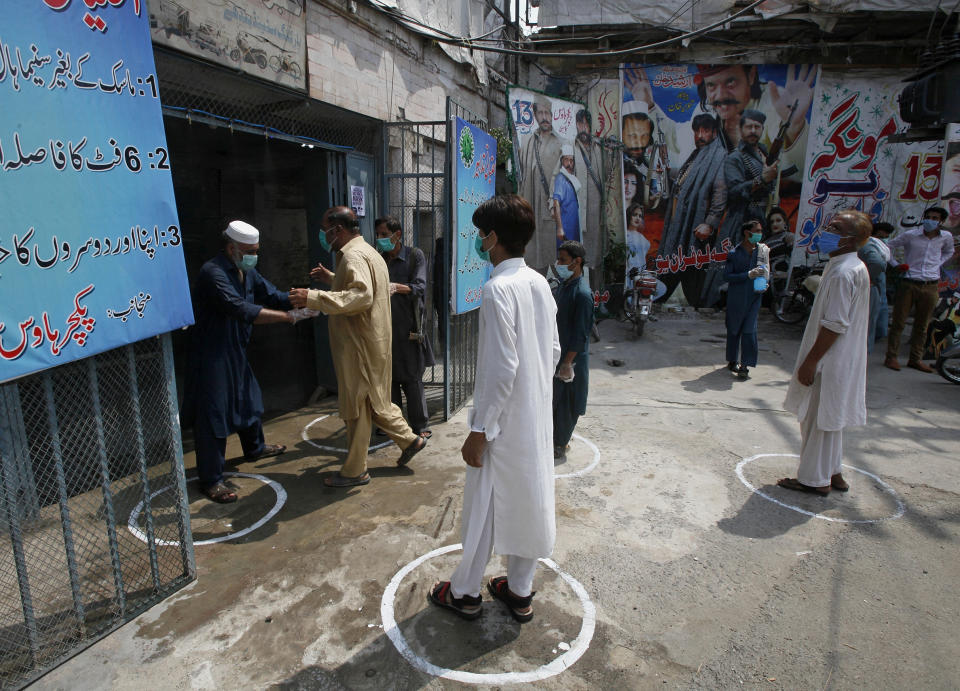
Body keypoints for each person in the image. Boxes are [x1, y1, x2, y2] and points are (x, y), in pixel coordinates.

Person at [427, 194, 560, 623]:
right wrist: (533, 395)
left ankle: (464, 592)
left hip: (502, 422)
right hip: (534, 417)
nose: (478, 240)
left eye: (481, 233)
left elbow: (501, 369)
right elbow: (553, 351)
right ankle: (519, 591)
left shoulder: (497, 289)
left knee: (485, 508)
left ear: (495, 239)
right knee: (528, 499)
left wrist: (480, 430)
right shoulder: (539, 283)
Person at [288, 207, 426, 487]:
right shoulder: (368, 253)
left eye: (324, 228)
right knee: (373, 403)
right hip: (371, 342)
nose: (322, 234)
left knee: (357, 407)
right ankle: (410, 440)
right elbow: (362, 288)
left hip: (359, 346)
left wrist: (313, 297)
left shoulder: (352, 255)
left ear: (337, 230)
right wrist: (332, 280)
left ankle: (355, 471)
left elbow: (360, 296)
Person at [182, 221, 292, 504]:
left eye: (256, 251)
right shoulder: (213, 273)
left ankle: (255, 448)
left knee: (248, 397)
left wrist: (305, 299)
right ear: (232, 248)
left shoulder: (248, 271)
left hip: (236, 350)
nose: (254, 256)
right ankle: (212, 479)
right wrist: (289, 318)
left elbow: (274, 295)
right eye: (249, 251)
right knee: (214, 414)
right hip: (211, 353)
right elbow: (239, 308)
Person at [778, 210, 871, 496]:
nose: (827, 230)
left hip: (831, 361)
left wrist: (811, 362)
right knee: (831, 418)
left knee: (817, 419)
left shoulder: (844, 273)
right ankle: (834, 472)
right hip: (841, 360)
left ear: (850, 240)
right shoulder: (848, 266)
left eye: (836, 228)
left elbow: (834, 325)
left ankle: (814, 479)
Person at [702, 110, 778, 307]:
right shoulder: (735, 158)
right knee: (730, 264)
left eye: (757, 127)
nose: (753, 130)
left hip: (759, 217)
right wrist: (761, 179)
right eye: (749, 126)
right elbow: (735, 191)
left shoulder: (763, 153)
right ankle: (717, 303)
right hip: (740, 219)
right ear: (741, 129)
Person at [658, 113, 728, 306]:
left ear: (714, 132)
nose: (700, 135)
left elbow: (720, 193)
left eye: (705, 130)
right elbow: (684, 181)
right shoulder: (698, 154)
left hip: (698, 227)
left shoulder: (719, 157)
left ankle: (700, 308)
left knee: (692, 269)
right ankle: (659, 300)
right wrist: (667, 169)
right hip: (680, 222)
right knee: (679, 265)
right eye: (697, 131)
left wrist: (709, 224)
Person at [374, 216, 435, 438]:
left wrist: (396, 288)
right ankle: (394, 424)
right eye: (378, 235)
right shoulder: (379, 259)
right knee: (388, 379)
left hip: (409, 327)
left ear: (397, 234)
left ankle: (420, 426)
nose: (380, 239)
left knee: (412, 378)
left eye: (383, 234)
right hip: (383, 329)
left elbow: (419, 287)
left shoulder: (414, 256)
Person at [883, 206, 955, 372]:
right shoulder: (911, 235)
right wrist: (896, 264)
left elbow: (949, 251)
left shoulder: (945, 237)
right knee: (899, 322)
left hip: (930, 284)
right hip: (909, 282)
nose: (930, 220)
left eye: (935, 218)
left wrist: (938, 263)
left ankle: (915, 359)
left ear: (941, 221)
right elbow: (888, 246)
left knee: (922, 325)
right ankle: (891, 357)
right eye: (928, 217)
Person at [552, 241, 593, 462]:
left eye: (563, 260)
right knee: (556, 402)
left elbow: (581, 334)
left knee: (568, 404)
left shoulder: (583, 294)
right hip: (559, 355)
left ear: (577, 262)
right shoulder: (564, 286)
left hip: (572, 359)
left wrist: (567, 363)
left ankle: (559, 443)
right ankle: (556, 439)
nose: (558, 264)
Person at [517, 95, 563, 272]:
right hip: (529, 206)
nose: (544, 117)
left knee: (549, 254)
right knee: (529, 253)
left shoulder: (560, 143)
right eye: (541, 113)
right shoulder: (527, 141)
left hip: (549, 208)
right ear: (535, 115)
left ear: (552, 116)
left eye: (548, 113)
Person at [724, 221, 769, 380]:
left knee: (749, 331)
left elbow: (765, 271)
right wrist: (747, 275)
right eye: (756, 231)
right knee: (734, 330)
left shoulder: (762, 251)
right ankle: (732, 359)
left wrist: (764, 283)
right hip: (736, 297)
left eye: (760, 231)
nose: (759, 234)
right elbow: (727, 276)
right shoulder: (734, 253)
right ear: (746, 233)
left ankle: (745, 365)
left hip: (754, 297)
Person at [573, 109, 605, 289]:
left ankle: (598, 298)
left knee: (596, 258)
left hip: (595, 212)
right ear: (576, 125)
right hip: (578, 211)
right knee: (578, 256)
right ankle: (579, 297)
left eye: (586, 124)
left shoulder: (599, 148)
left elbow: (606, 175)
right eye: (580, 124)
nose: (584, 127)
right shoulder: (570, 147)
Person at [858, 222, 892, 353]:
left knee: (865, 326)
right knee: (870, 325)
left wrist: (866, 278)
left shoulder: (867, 245)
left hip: (868, 290)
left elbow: (876, 263)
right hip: (874, 289)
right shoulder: (878, 247)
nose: (884, 239)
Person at [551, 144, 583, 245]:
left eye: (571, 160)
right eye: (566, 160)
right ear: (561, 161)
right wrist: (560, 228)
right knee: (566, 255)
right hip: (566, 226)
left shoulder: (571, 178)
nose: (569, 163)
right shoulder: (561, 178)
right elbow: (556, 204)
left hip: (575, 226)